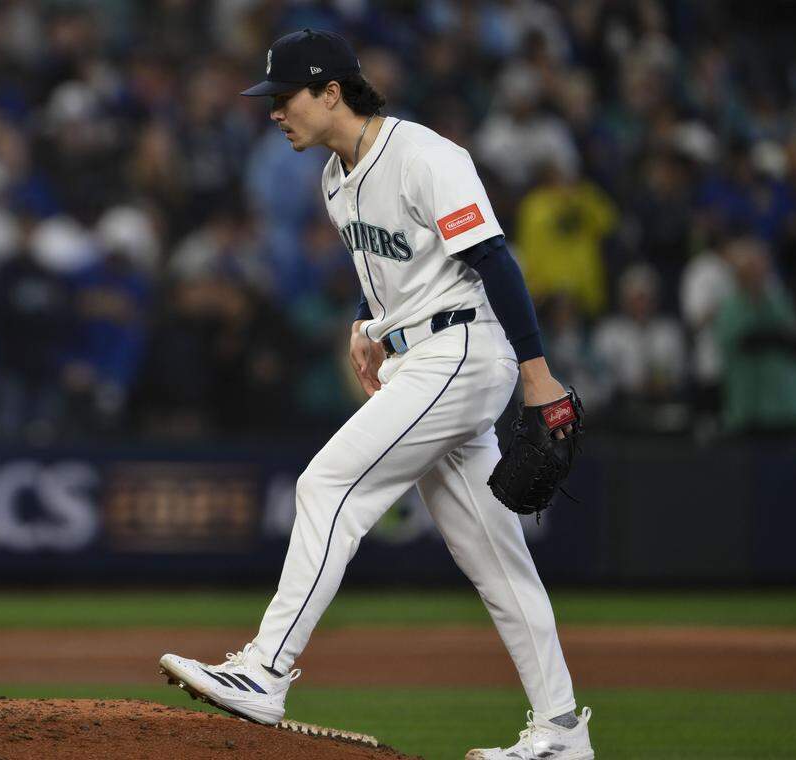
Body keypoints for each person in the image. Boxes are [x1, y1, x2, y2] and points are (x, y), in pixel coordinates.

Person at [159, 29, 594, 760]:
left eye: (284, 97)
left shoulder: (426, 157)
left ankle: (265, 670)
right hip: (419, 351)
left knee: (328, 483)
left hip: (462, 350)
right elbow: (395, 270)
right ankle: (559, 730)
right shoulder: (333, 178)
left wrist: (537, 375)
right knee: (496, 557)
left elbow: (494, 261)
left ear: (332, 92)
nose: (273, 112)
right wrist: (370, 324)